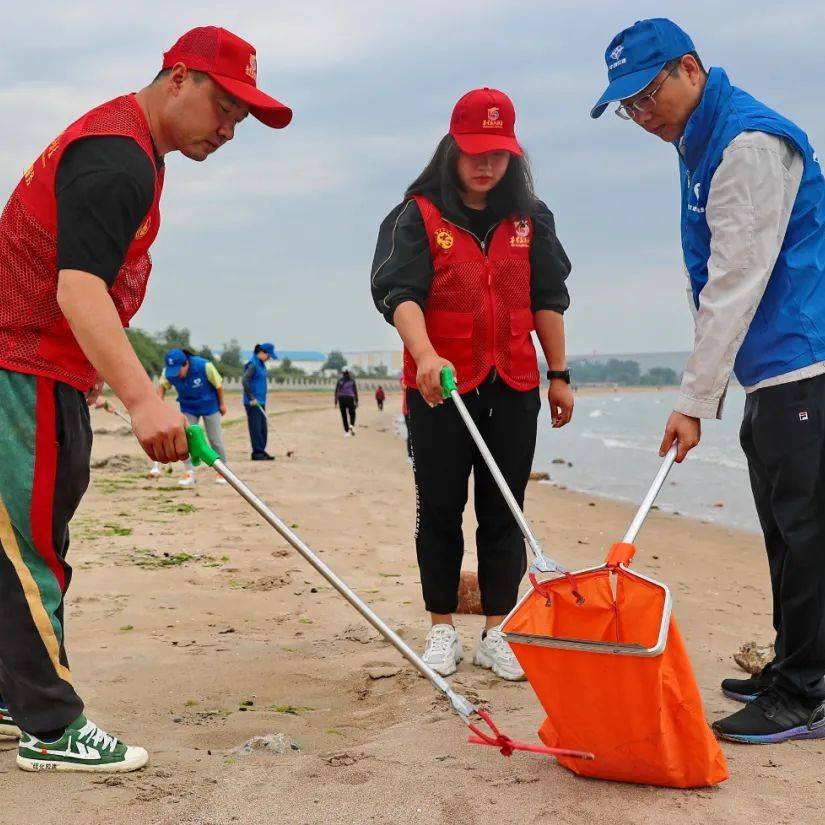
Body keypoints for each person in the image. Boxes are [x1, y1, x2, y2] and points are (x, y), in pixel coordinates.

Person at [0, 25, 291, 772]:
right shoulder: (117, 156)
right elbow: (77, 287)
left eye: (240, 120)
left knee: (35, 540)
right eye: (224, 108)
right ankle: (51, 727)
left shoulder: (133, 150)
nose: (229, 130)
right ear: (178, 80)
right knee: (30, 549)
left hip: (47, 370)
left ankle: (12, 695)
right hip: (18, 365)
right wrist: (143, 398)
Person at [591, 18, 825, 743]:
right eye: (625, 106)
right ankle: (793, 662)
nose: (639, 114)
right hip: (770, 371)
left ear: (688, 68)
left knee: (807, 531)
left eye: (645, 94)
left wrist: (692, 403)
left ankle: (805, 692)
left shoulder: (746, 142)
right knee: (784, 530)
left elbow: (735, 281)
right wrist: (714, 391)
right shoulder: (697, 135)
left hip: (805, 359)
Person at [370, 88, 573, 681]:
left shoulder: (532, 219)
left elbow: (548, 297)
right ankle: (441, 629)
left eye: (499, 154)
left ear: (513, 155)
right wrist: (426, 355)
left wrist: (556, 375)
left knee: (505, 507)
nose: (486, 165)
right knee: (439, 505)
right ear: (451, 150)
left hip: (512, 382)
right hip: (440, 387)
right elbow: (397, 293)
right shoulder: (416, 214)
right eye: (474, 153)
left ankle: (497, 630)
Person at [158, 348, 228, 486]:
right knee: (186, 439)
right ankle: (189, 472)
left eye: (178, 370)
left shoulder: (204, 366)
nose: (176, 375)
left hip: (210, 405)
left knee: (215, 439)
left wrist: (222, 404)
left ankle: (222, 470)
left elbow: (218, 385)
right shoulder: (168, 372)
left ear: (186, 364)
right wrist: (159, 406)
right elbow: (161, 387)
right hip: (188, 406)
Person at [243, 342, 277, 460]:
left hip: (261, 401)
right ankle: (257, 453)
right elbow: (244, 381)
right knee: (256, 428)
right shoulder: (252, 364)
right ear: (262, 353)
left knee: (263, 428)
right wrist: (251, 398)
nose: (269, 358)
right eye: (269, 356)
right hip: (253, 402)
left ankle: (261, 450)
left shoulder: (261, 364)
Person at [335, 369, 359, 436]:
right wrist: (356, 401)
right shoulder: (352, 381)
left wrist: (336, 401)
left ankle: (346, 431)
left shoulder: (339, 381)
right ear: (349, 373)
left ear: (343, 374)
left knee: (344, 415)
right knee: (352, 414)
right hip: (350, 398)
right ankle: (351, 425)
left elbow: (336, 391)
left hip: (341, 398)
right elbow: (355, 392)